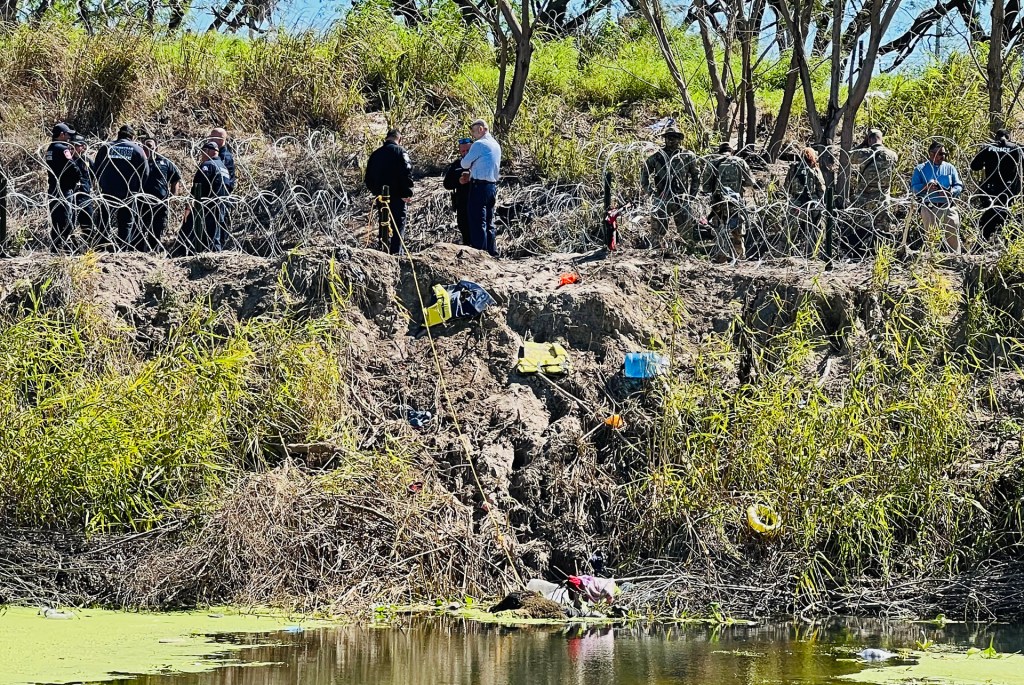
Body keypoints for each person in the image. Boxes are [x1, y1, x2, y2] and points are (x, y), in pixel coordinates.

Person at [640, 125, 701, 246]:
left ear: (680, 139)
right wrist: (652, 192)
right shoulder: (657, 157)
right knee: (657, 233)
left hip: (681, 198)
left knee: (686, 233)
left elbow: (696, 176)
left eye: (674, 137)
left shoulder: (687, 156)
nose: (670, 140)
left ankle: (688, 254)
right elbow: (644, 175)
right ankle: (656, 255)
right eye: (668, 137)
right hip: (662, 198)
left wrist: (691, 196)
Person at [94, 124, 149, 249]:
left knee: (104, 220)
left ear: (118, 135)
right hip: (128, 191)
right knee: (125, 222)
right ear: (132, 136)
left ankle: (100, 247)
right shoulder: (137, 149)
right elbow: (145, 172)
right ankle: (122, 249)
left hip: (108, 190)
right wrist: (138, 188)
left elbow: (96, 168)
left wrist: (102, 183)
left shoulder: (106, 148)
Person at [701, 141, 757, 261]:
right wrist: (739, 183)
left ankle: (721, 258)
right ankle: (740, 258)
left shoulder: (712, 162)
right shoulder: (739, 161)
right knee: (737, 232)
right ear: (732, 151)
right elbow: (751, 182)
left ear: (719, 151)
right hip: (736, 202)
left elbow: (705, 186)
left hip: (718, 202)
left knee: (721, 230)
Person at [847, 128, 898, 257]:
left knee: (863, 229)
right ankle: (881, 255)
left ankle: (863, 255)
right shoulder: (892, 155)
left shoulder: (864, 153)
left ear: (869, 140)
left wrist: (863, 144)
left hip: (865, 198)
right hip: (882, 199)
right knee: (882, 229)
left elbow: (848, 155)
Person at [364, 128, 414, 255]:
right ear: (399, 139)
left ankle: (383, 250)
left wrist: (376, 191)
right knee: (398, 224)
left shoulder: (375, 154)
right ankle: (396, 253)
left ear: (386, 138)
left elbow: (368, 178)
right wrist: (407, 193)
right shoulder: (400, 151)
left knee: (383, 222)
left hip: (381, 196)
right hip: (397, 196)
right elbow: (406, 172)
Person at [970, 128, 1024, 241]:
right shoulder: (1016, 148)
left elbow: (974, 166)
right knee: (1009, 216)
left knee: (989, 215)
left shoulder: (988, 148)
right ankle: (1009, 243)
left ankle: (982, 242)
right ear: (1009, 137)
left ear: (996, 137)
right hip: (1009, 189)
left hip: (990, 188)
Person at [178, 141, 231, 253]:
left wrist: (190, 204)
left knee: (189, 233)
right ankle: (213, 256)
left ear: (207, 151)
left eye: (202, 152)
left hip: (205, 206)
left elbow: (198, 187)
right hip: (220, 206)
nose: (201, 156)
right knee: (213, 236)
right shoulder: (224, 168)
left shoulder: (208, 165)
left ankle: (185, 256)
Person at [911, 140, 964, 253]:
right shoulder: (920, 169)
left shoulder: (950, 168)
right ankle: (932, 261)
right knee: (931, 239)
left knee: (953, 236)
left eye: (944, 154)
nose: (943, 157)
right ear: (931, 154)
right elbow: (914, 188)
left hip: (947, 206)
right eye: (940, 154)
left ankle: (956, 260)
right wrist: (926, 187)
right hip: (929, 207)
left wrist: (949, 192)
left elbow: (958, 186)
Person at [461, 118, 502, 256]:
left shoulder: (479, 144)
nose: (473, 135)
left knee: (477, 221)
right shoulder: (496, 145)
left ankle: (480, 254)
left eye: (473, 131)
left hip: (479, 186)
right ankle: (492, 252)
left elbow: (464, 164)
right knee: (489, 221)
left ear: (481, 129)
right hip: (491, 186)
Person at [140, 136, 182, 251]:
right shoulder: (139, 162)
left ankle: (154, 252)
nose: (147, 149)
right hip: (141, 202)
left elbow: (175, 179)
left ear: (156, 148)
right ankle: (138, 253)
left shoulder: (165, 162)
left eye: (150, 146)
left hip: (160, 203)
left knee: (157, 229)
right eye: (144, 147)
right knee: (140, 229)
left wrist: (173, 196)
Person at [44, 122, 81, 250]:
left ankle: (56, 246)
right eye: (67, 135)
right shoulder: (62, 148)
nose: (69, 138)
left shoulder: (50, 148)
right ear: (61, 135)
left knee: (56, 220)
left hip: (53, 187)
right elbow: (73, 167)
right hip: (64, 188)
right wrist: (78, 177)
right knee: (66, 219)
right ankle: (64, 247)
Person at [785, 146, 827, 257]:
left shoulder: (793, 168)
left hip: (796, 204)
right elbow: (821, 189)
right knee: (814, 231)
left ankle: (786, 254)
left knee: (790, 232)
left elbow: (787, 187)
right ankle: (811, 254)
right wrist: (820, 203)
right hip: (812, 204)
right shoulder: (814, 170)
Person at [442, 137, 473, 245]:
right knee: (463, 226)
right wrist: (459, 181)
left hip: (475, 201)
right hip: (461, 203)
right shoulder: (456, 164)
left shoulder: (479, 163)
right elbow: (446, 184)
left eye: (468, 151)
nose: (465, 153)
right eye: (463, 151)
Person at [70, 134, 96, 243]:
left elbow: (94, 176)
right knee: (69, 225)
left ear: (83, 147)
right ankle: (71, 246)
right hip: (71, 196)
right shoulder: (69, 161)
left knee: (87, 225)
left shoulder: (88, 161)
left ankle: (90, 247)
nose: (73, 147)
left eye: (76, 145)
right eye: (72, 145)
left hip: (85, 197)